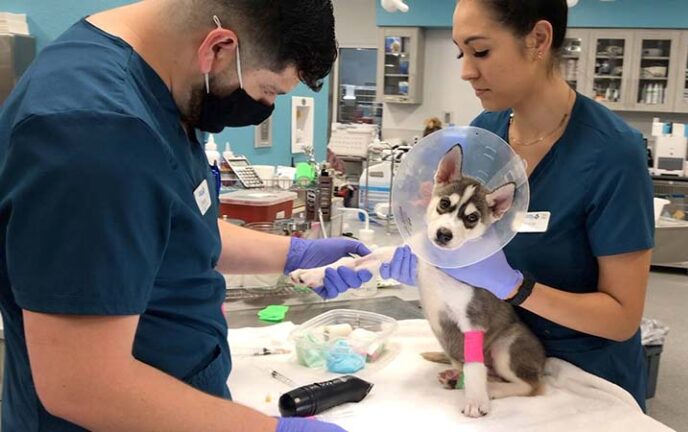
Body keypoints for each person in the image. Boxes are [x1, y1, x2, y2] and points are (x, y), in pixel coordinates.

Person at [0, 1, 375, 430]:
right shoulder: (94, 131)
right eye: (269, 90)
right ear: (218, 48)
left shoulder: (163, 82)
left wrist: (298, 253)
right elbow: (83, 385)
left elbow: (167, 224)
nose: (264, 105)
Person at [386, 0, 654, 410]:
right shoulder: (483, 137)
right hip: (493, 358)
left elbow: (621, 319)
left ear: (538, 40)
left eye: (481, 51)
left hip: (586, 382)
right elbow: (469, 253)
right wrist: (435, 241)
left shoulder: (613, 152)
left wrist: (516, 287)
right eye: (461, 53)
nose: (465, 71)